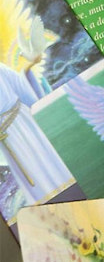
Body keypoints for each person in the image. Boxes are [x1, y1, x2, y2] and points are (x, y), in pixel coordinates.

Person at [0, 61, 72, 207]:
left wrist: (28, 69)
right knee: (35, 182)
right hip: (8, 141)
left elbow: (21, 87)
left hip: (23, 124)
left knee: (49, 163)